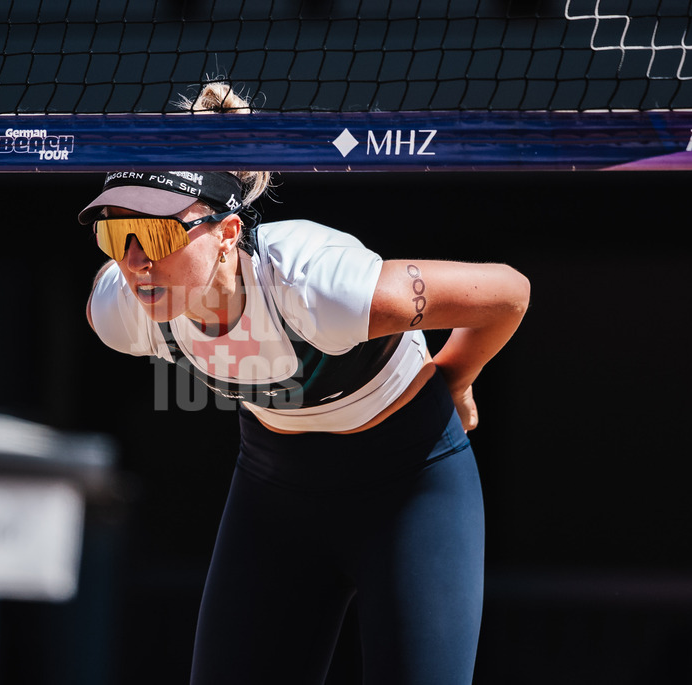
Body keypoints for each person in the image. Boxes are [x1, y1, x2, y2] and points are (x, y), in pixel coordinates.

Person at [80, 83, 530, 685]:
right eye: (115, 235)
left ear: (227, 233)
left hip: (413, 486)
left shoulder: (320, 287)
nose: (134, 261)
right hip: (275, 494)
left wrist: (455, 376)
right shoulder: (120, 311)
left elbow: (507, 293)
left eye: (157, 236)